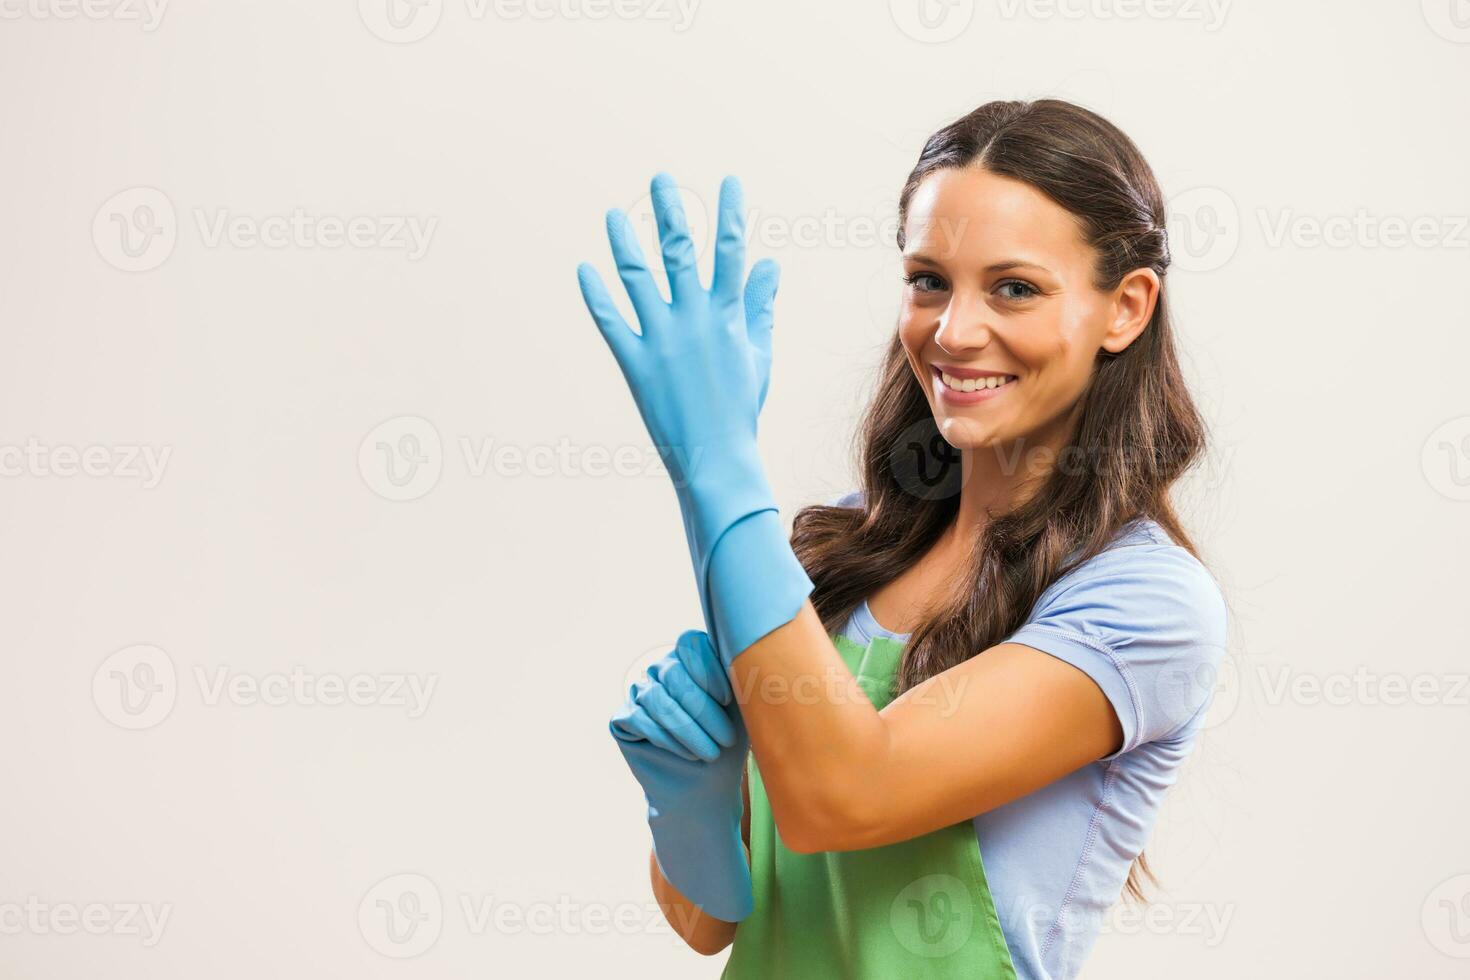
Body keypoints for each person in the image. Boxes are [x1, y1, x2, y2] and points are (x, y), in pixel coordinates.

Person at [581, 98, 1229, 979]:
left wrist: (716, 466)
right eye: (929, 280)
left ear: (1125, 308)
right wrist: (687, 803)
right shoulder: (840, 552)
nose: (954, 332)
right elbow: (709, 922)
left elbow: (844, 793)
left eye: (1015, 287)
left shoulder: (1143, 602)